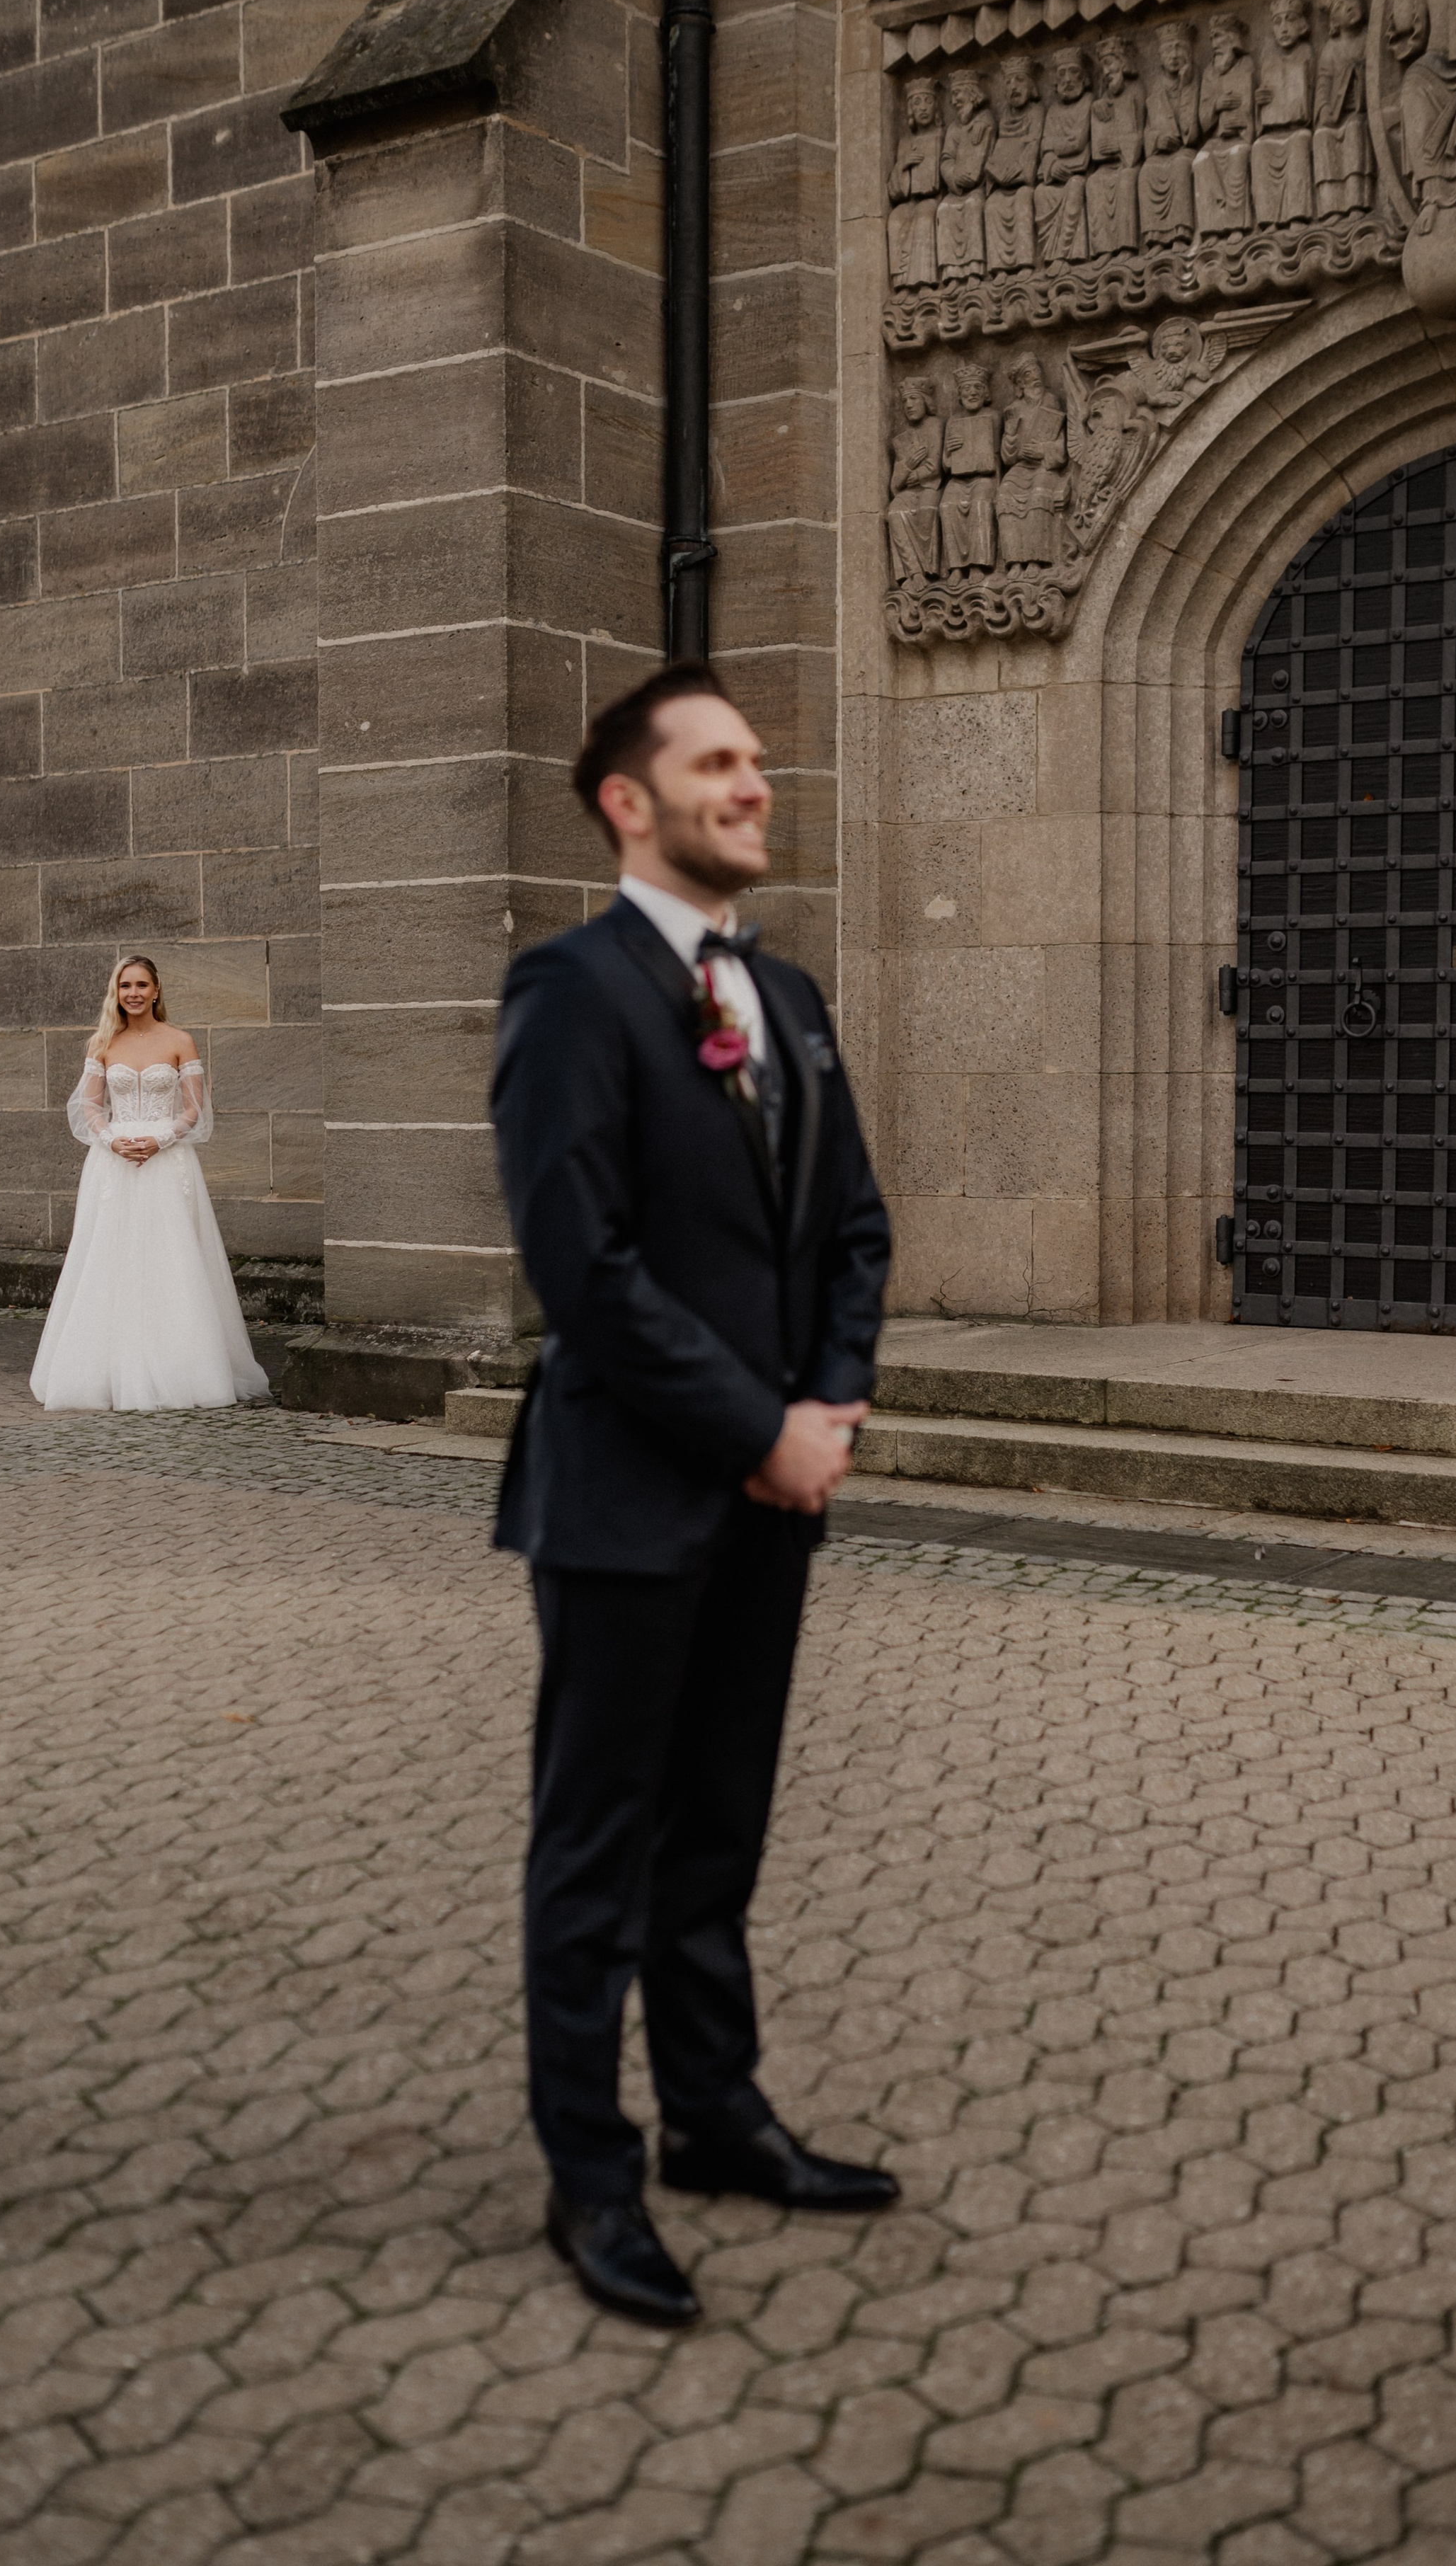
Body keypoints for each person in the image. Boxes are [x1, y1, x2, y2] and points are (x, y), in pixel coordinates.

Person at [490, 664, 895, 2330]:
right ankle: (590, 2173)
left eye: (754, 759)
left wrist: (829, 1399)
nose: (751, 781)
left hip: (771, 1489)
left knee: (717, 1830)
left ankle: (718, 2122)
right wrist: (754, 1424)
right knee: (598, 1846)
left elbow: (851, 1224)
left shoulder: (785, 993)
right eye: (713, 760)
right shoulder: (568, 994)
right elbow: (578, 1267)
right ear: (626, 800)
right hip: (626, 1494)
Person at [30, 953, 269, 1413]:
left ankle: (186, 1368)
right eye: (125, 986)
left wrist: (160, 1139)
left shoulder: (180, 1041)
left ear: (156, 990)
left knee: (171, 1259)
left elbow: (195, 1111)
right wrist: (111, 1140)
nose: (133, 993)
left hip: (167, 1161)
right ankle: (99, 1370)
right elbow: (90, 1109)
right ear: (115, 993)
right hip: (114, 1164)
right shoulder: (103, 1044)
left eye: (141, 985)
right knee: (108, 1260)